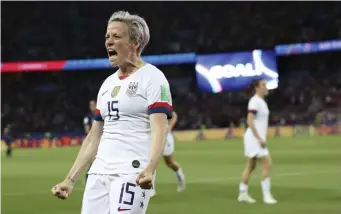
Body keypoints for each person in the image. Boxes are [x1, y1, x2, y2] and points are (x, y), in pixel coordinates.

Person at [51, 11, 173, 214]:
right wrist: (70, 179)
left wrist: (151, 168)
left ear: (135, 42)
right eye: (107, 36)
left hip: (132, 171)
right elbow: (94, 137)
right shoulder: (107, 84)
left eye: (116, 36)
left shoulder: (153, 78)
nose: (109, 41)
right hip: (99, 172)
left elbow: (160, 129)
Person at [237, 79, 277, 204]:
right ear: (257, 88)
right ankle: (266, 195)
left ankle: (242, 192)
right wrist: (259, 138)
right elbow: (250, 121)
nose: (266, 87)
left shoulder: (260, 102)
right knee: (267, 162)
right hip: (254, 138)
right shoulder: (255, 101)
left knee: (251, 166)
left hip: (255, 137)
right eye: (263, 85)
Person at [150, 111, 185, 197]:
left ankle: (180, 174)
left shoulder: (160, 103)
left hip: (165, 136)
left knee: (170, 163)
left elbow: (174, 115)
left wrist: (170, 126)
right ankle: (151, 190)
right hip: (152, 136)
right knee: (152, 162)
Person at [83, 100, 97, 184]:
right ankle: (88, 176)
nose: (92, 107)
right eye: (90, 105)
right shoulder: (88, 117)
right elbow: (87, 129)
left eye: (93, 105)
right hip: (93, 141)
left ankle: (90, 177)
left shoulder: (101, 115)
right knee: (93, 160)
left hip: (102, 140)